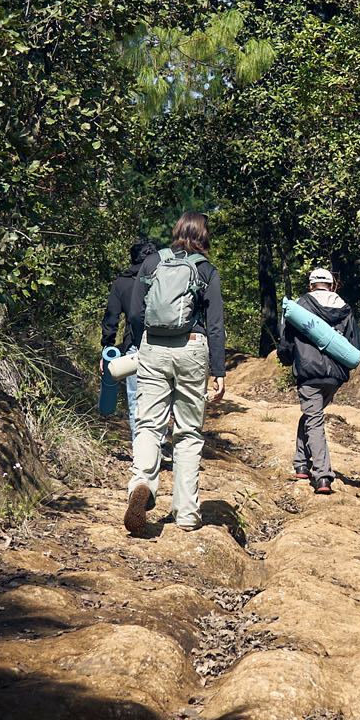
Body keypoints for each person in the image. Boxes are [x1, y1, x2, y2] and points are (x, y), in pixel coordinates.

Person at [123, 212, 226, 536]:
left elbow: (137, 310)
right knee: (188, 433)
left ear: (177, 230)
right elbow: (215, 324)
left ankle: (141, 483)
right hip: (192, 348)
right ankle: (186, 513)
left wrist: (142, 344)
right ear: (204, 235)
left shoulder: (153, 262)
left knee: (149, 424)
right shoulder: (206, 270)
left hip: (153, 346)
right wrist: (219, 370)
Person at [278, 265, 360, 495]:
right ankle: (301, 463)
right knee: (311, 415)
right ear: (331, 284)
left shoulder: (300, 306)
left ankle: (323, 474)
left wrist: (286, 358)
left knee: (314, 420)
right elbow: (355, 344)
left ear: (311, 284)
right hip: (335, 376)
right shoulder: (345, 308)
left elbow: (286, 341)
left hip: (309, 372)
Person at [101, 237, 159, 438]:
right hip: (165, 345)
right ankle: (158, 443)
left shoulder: (122, 283)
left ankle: (140, 447)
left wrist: (107, 348)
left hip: (135, 346)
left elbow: (111, 318)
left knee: (136, 398)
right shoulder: (164, 279)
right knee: (161, 399)